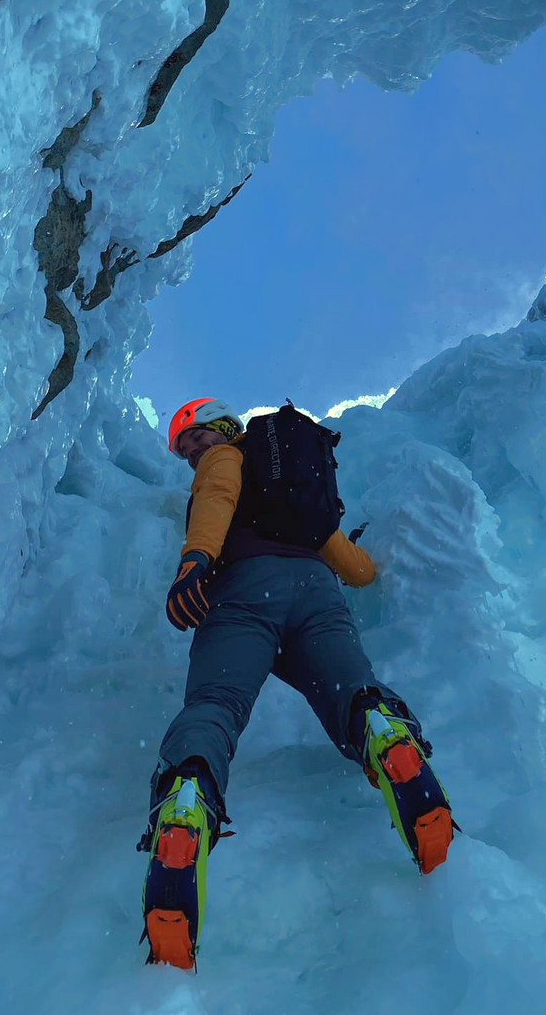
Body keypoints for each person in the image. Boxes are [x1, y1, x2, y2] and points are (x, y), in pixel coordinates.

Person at [138, 397, 454, 970]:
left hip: (242, 592)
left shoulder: (224, 459)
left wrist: (194, 561)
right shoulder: (297, 496)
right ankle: (388, 738)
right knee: (353, 691)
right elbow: (358, 571)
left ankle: (187, 800)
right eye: (186, 452)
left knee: (216, 705)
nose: (194, 456)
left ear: (223, 430)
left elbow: (216, 497)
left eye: (196, 442)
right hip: (316, 591)